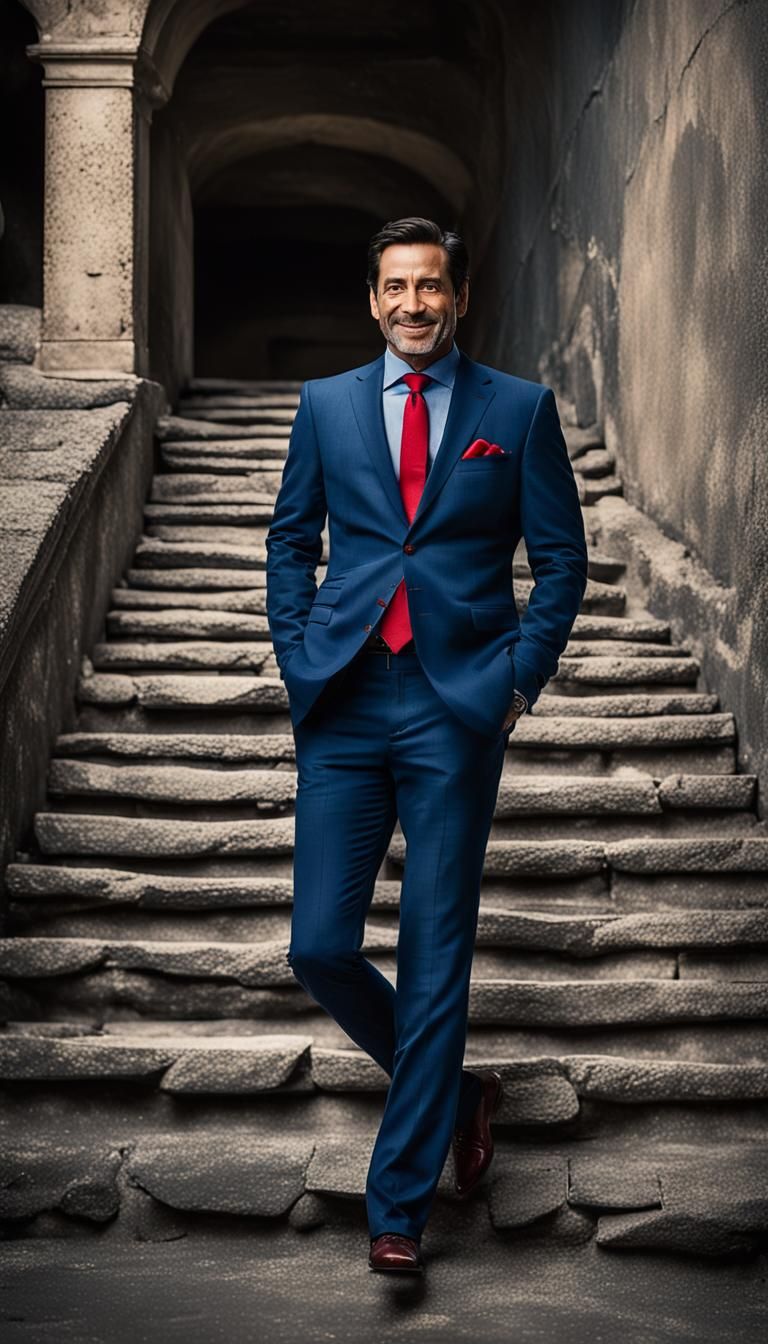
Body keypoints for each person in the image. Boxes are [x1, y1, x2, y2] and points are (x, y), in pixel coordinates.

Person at [265, 216, 588, 1273]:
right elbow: (289, 539)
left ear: (458, 298)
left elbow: (561, 563)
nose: (414, 303)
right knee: (320, 944)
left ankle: (396, 1206)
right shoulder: (325, 407)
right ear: (373, 300)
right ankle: (453, 1091)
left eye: (432, 287)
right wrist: (298, 652)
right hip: (349, 699)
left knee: (435, 954)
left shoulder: (520, 411)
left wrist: (514, 683)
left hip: (458, 707)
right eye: (396, 287)